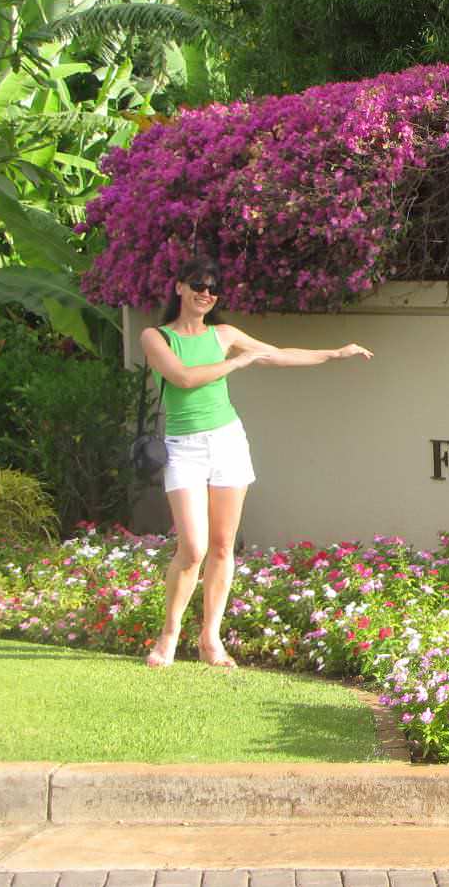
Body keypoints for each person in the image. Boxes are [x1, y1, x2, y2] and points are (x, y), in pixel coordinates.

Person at [139, 255, 373, 668]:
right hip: (184, 448)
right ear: (179, 287)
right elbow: (183, 378)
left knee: (222, 545)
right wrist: (237, 361)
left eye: (213, 288)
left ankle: (210, 639)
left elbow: (279, 355)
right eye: (198, 285)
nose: (206, 293)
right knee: (192, 548)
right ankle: (169, 636)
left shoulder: (224, 334)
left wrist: (336, 353)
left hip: (227, 441)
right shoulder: (156, 337)